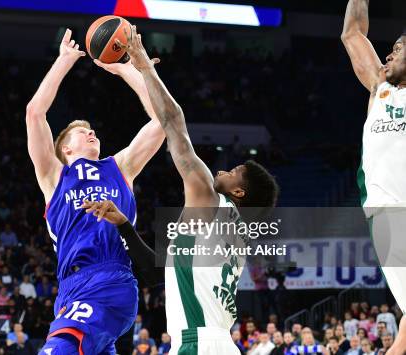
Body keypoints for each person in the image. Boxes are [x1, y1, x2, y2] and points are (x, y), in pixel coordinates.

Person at [86, 25, 279, 354]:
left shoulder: (211, 203)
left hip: (198, 344)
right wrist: (124, 226)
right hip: (213, 343)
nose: (222, 170)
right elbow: (155, 272)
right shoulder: (231, 234)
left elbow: (174, 123)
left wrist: (143, 66)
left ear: (240, 193)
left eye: (233, 172)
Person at [27, 27, 165, 355]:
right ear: (65, 150)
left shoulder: (120, 168)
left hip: (111, 278)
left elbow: (164, 120)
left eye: (91, 130)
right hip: (71, 289)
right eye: (80, 132)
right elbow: (35, 113)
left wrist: (126, 69)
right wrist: (64, 61)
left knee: (58, 349)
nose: (90, 132)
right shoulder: (54, 175)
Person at [341, 0, 406, 353]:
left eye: (399, 49)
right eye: (391, 48)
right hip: (385, 212)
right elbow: (352, 33)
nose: (389, 55)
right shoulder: (379, 88)